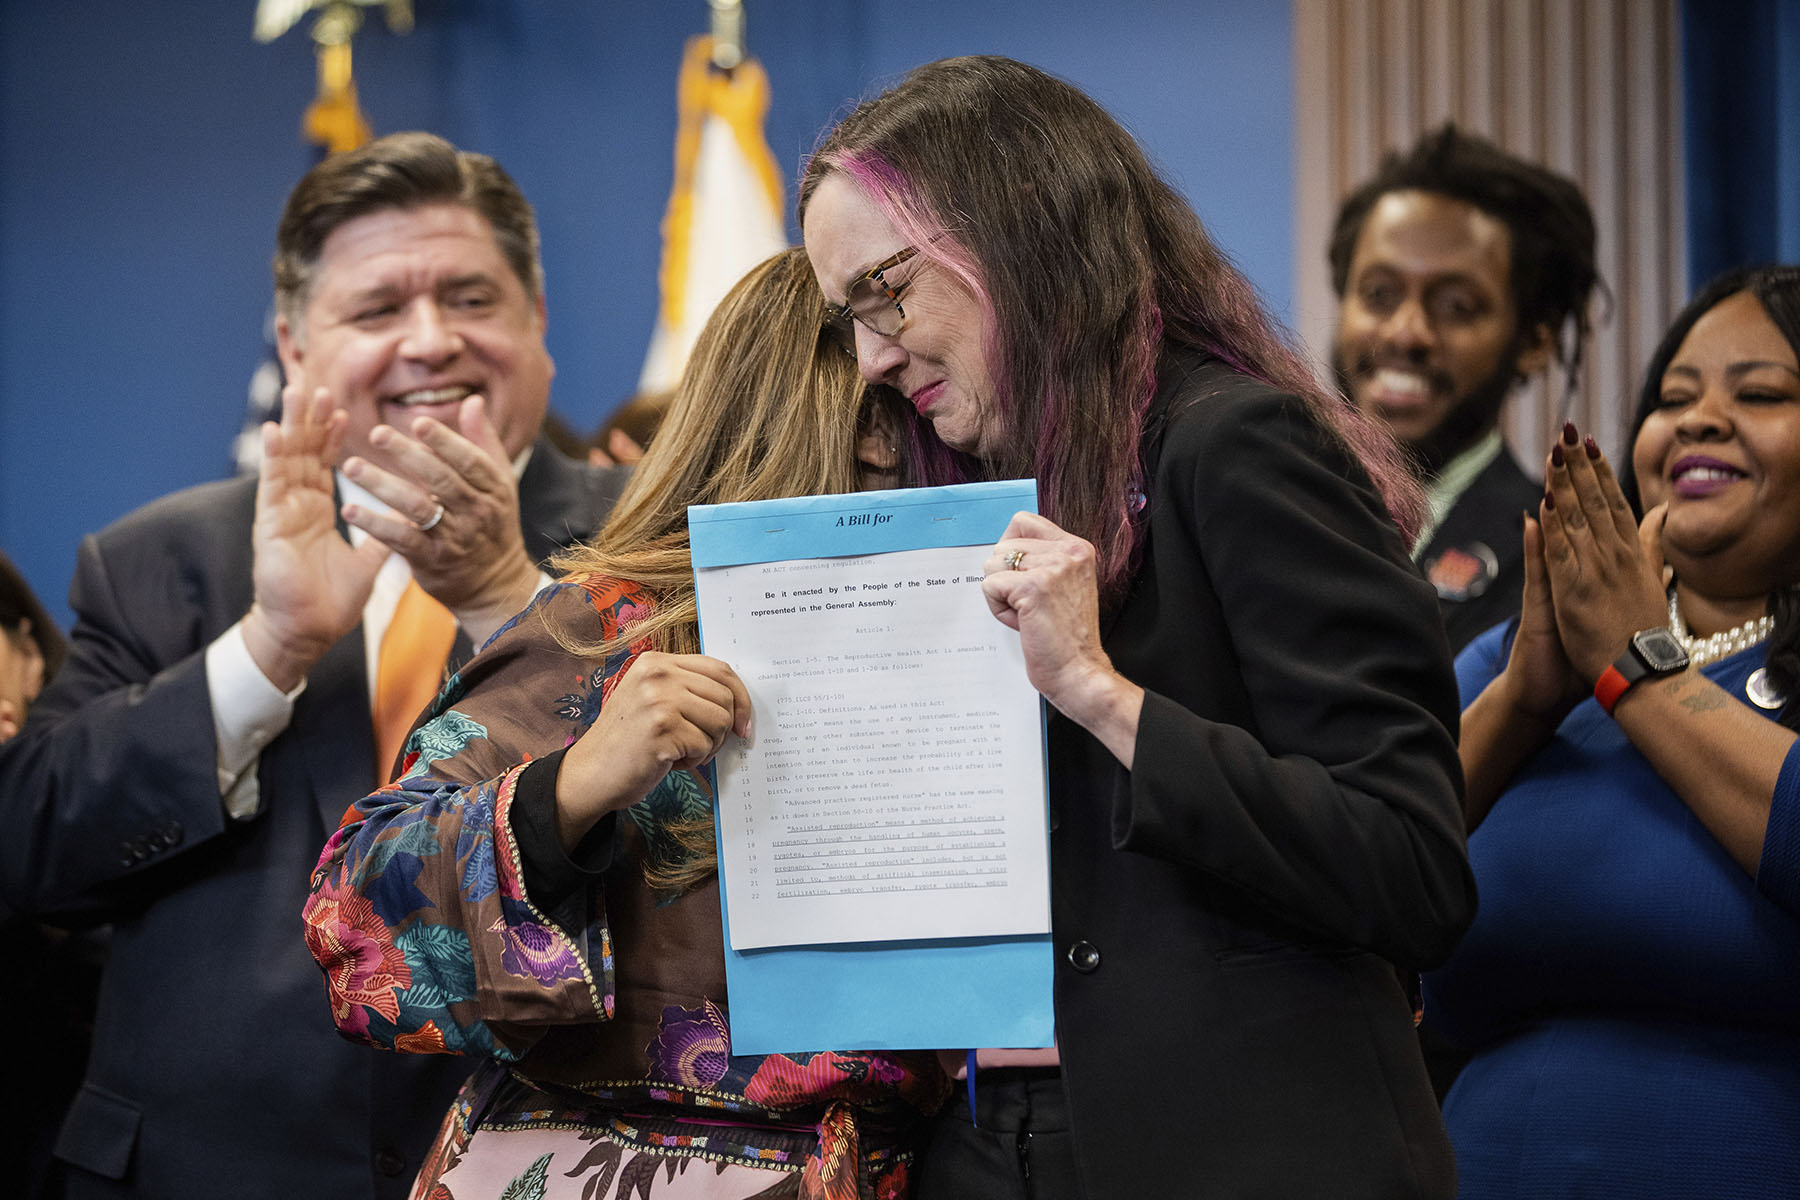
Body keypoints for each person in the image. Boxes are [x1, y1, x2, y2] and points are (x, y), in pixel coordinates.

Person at [799, 56, 1475, 1199]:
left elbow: (1410, 868)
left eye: (887, 292)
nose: (869, 354)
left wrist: (1104, 697)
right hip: (998, 1138)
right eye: (847, 317)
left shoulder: (1235, 445)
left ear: (1014, 235)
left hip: (1255, 1149)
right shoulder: (994, 492)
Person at [0, 132, 628, 1199]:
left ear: (539, 327)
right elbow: (28, 848)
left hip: (555, 1157)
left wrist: (501, 600)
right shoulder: (167, 558)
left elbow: (706, 834)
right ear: (294, 350)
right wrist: (269, 649)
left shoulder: (659, 537)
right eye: (377, 310)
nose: (429, 341)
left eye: (471, 298)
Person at [304, 248, 943, 1200]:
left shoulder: (996, 619)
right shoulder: (601, 629)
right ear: (867, 429)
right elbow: (354, 916)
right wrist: (570, 790)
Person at [1425, 264, 1800, 1197]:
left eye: (1758, 394)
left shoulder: (1620, 665)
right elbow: (1358, 869)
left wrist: (1637, 673)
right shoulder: (1519, 665)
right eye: (1674, 398)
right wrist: (1524, 701)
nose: (1699, 420)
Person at [1330, 124, 1602, 651]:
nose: (1406, 332)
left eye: (1456, 305)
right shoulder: (1267, 502)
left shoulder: (1556, 561)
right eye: (1379, 293)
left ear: (1533, 341)